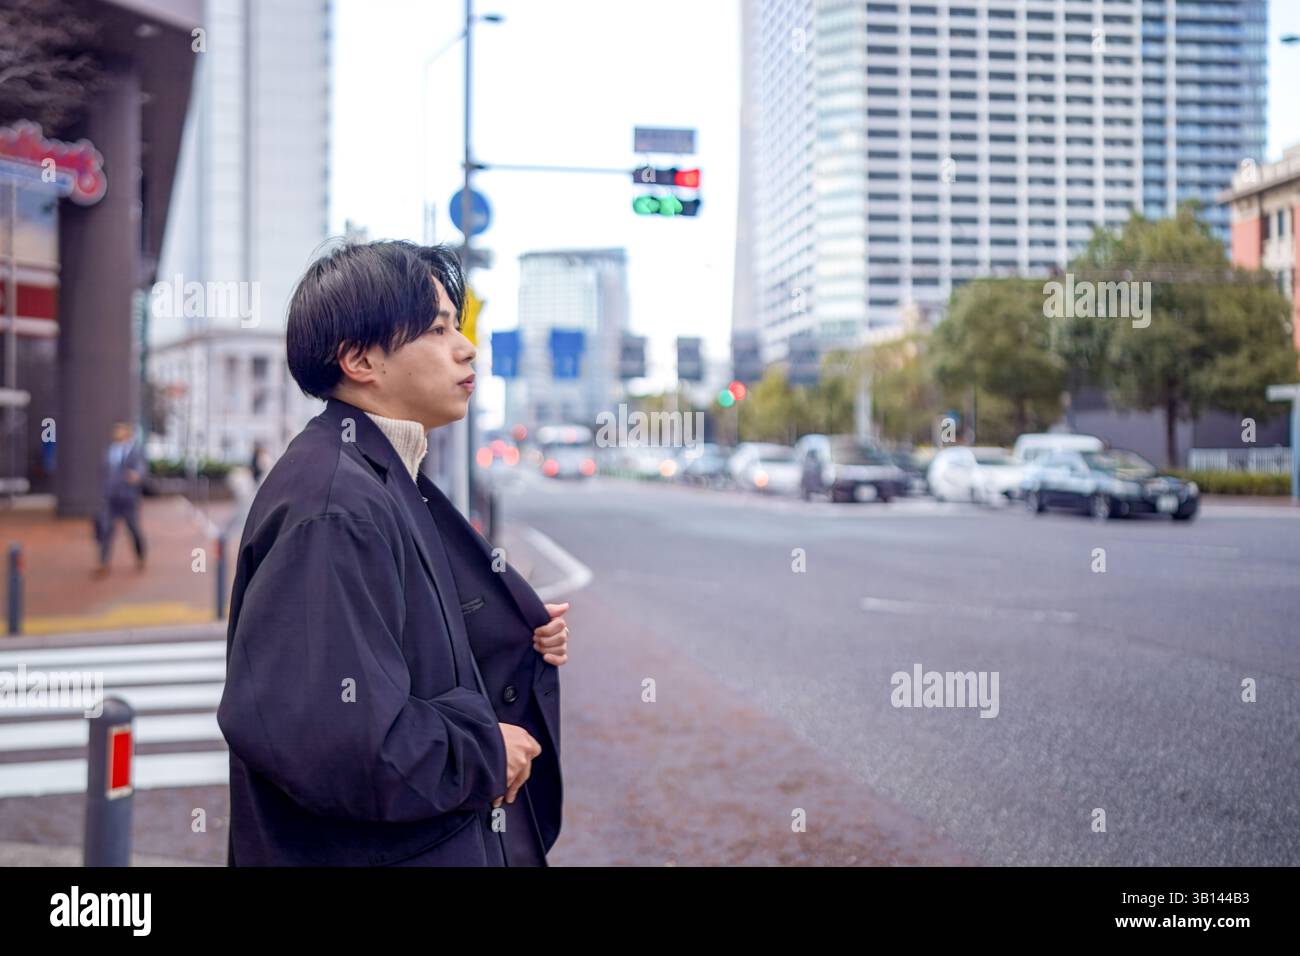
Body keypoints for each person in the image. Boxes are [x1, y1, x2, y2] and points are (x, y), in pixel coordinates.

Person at [216, 240, 569, 866]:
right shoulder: (335, 507)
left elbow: (395, 648)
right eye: (436, 330)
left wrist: (510, 634)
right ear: (359, 359)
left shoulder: (372, 473)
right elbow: (340, 743)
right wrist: (488, 749)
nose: (465, 347)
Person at [94, 420, 147, 576]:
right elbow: (105, 472)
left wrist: (137, 476)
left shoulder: (135, 452)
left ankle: (140, 556)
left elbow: (142, 468)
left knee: (133, 529)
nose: (117, 433)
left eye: (120, 431)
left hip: (128, 498)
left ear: (127, 433)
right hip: (111, 497)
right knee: (106, 529)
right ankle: (103, 563)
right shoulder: (110, 450)